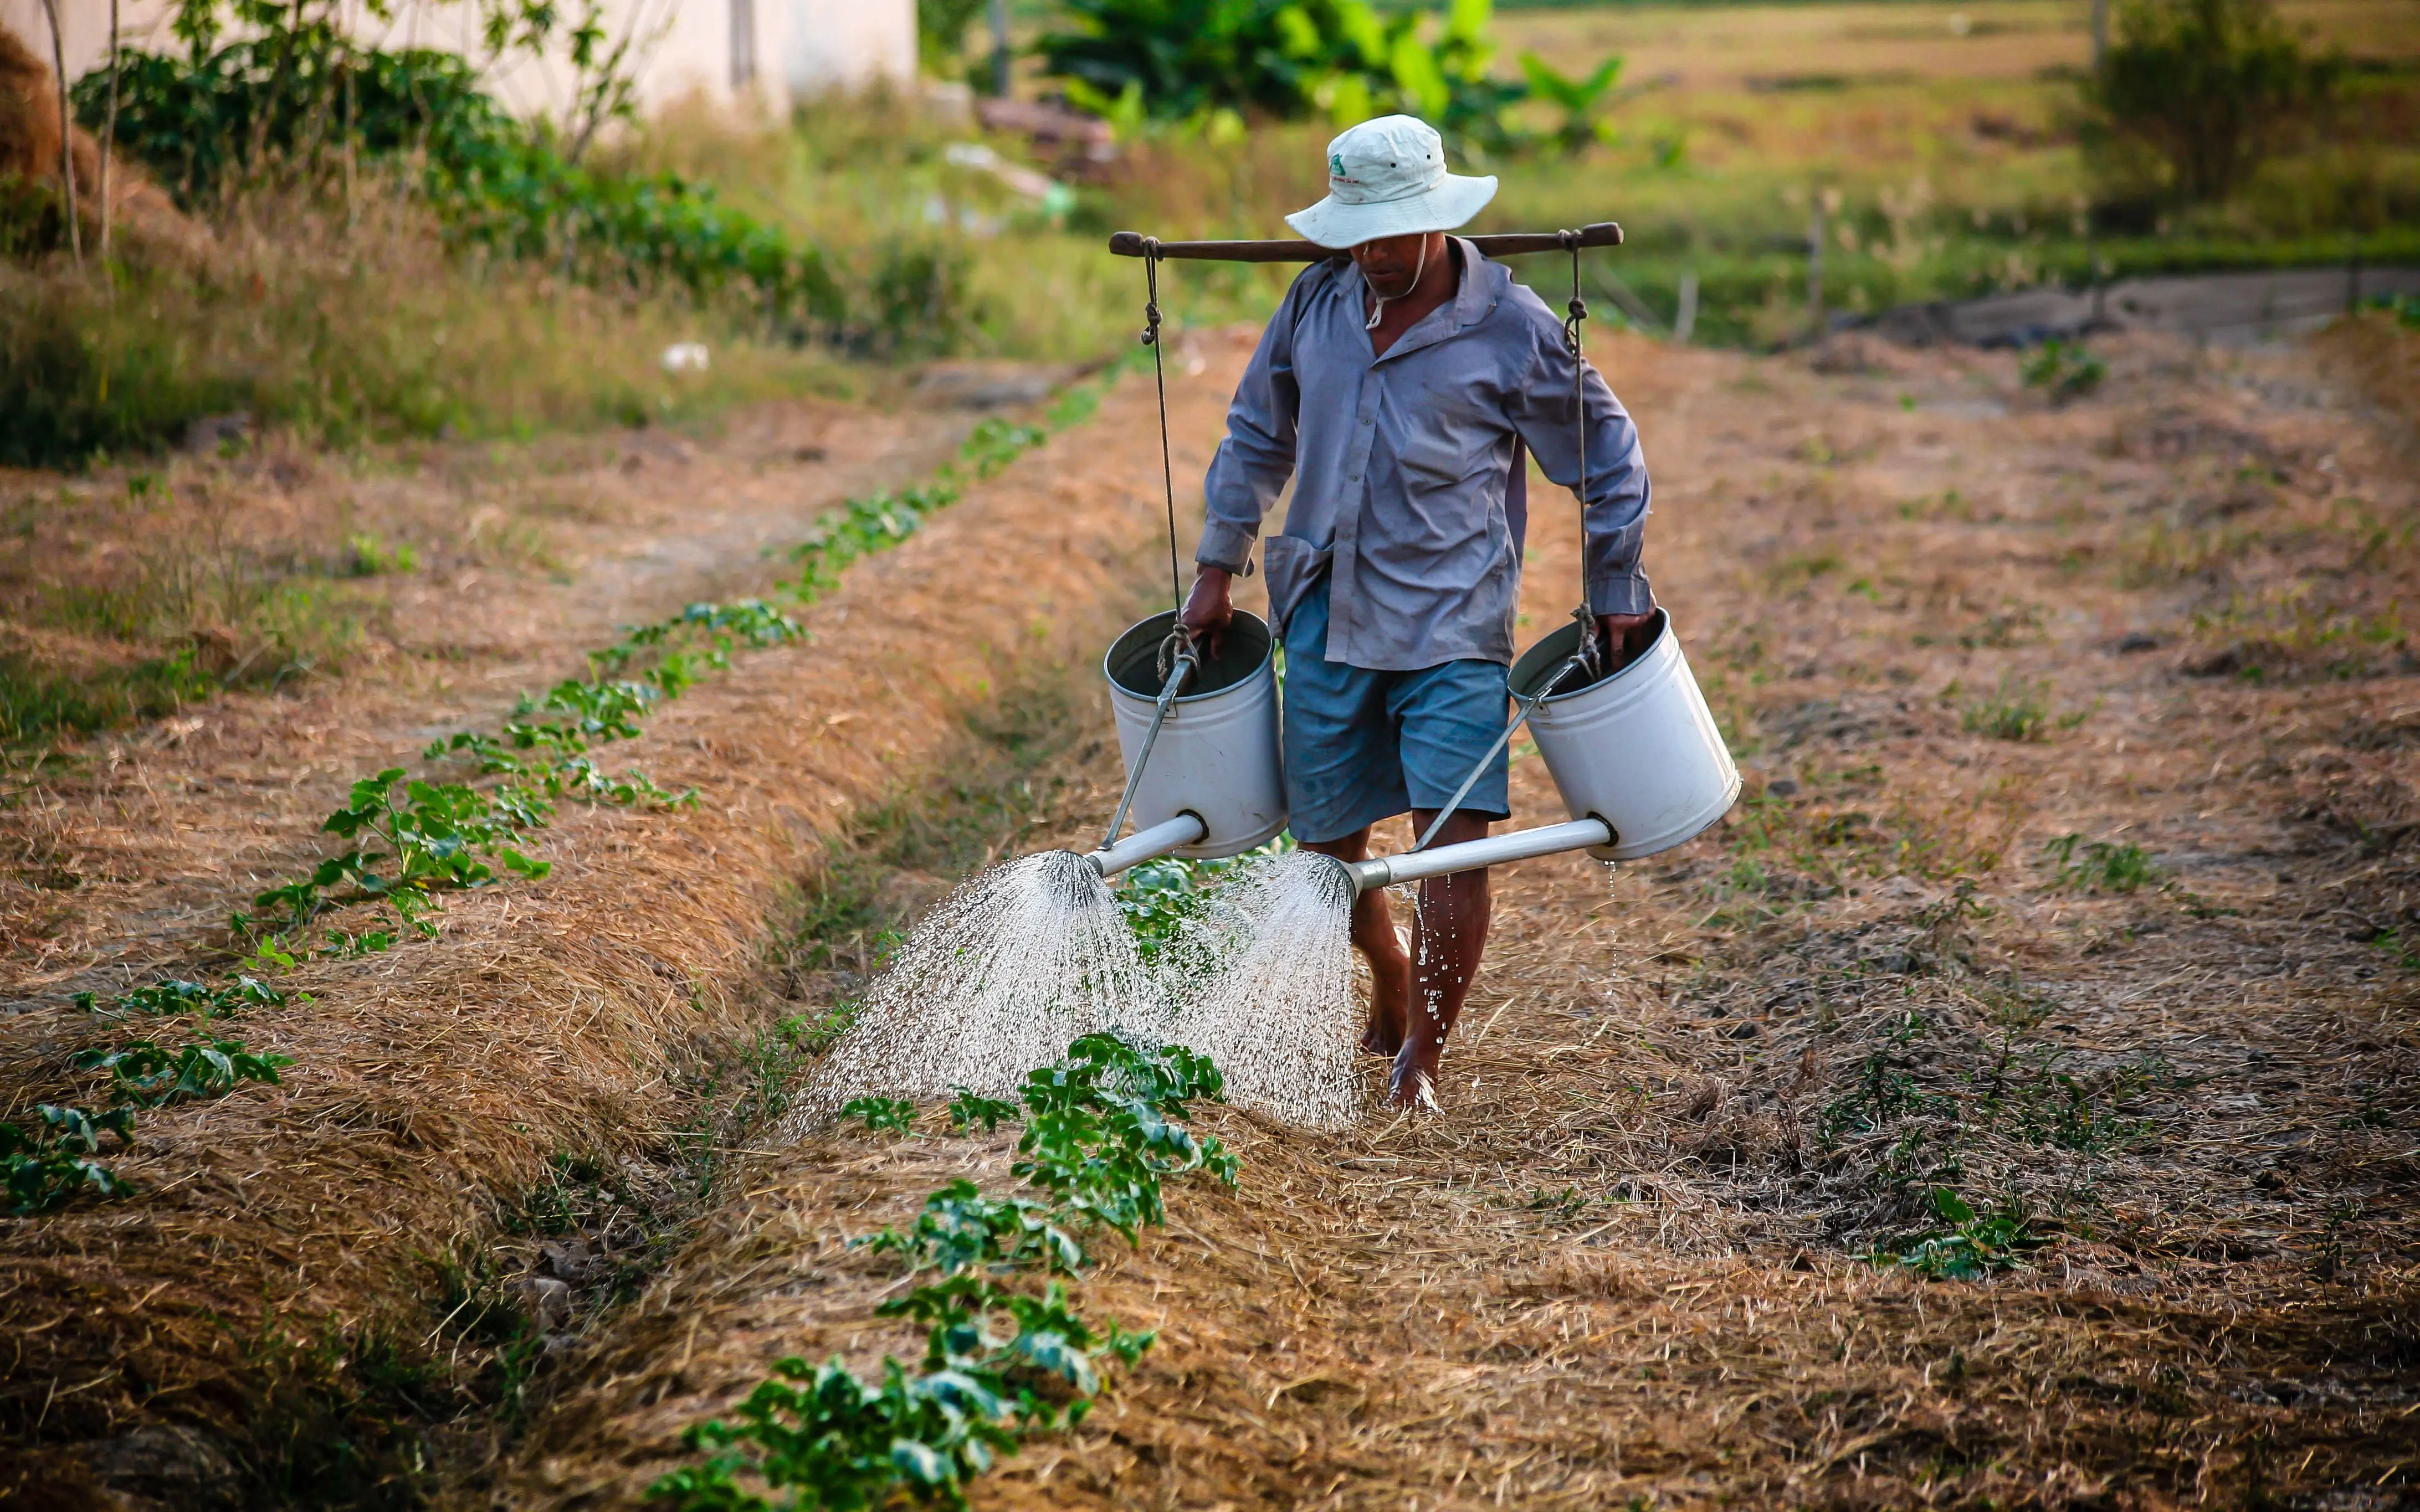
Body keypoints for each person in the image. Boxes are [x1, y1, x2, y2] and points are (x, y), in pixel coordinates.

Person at [1178, 114, 1655, 1110]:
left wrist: (1615, 584)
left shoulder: (1511, 326)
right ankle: (1389, 968)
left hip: (1453, 621)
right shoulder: (1316, 303)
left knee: (1453, 844)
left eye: (1391, 235)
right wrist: (1217, 566)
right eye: (1357, 235)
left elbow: (1607, 455)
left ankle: (1419, 1065)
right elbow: (1257, 433)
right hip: (1324, 609)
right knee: (1327, 853)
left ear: (1439, 220)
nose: (1373, 255)